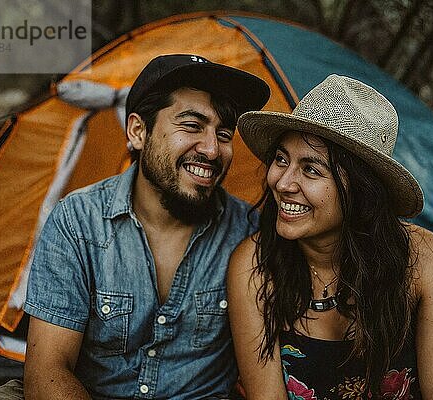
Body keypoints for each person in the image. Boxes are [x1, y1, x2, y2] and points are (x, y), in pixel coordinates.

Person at [21, 54, 270, 399]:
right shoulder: (77, 222)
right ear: (138, 131)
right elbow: (48, 370)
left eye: (224, 134)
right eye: (192, 125)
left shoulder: (248, 233)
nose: (212, 150)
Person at [228, 75, 433, 399]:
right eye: (282, 159)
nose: (283, 182)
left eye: (311, 169)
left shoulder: (425, 260)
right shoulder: (255, 267)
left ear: (360, 191)